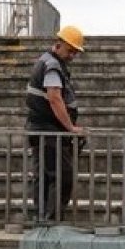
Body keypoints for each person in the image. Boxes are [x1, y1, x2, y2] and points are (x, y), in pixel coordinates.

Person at [25, 25, 85, 223]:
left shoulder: (48, 61)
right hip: (49, 131)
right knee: (61, 176)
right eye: (71, 51)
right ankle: (51, 221)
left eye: (76, 52)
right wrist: (70, 128)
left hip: (41, 129)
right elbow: (55, 98)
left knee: (45, 177)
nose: (73, 55)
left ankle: (43, 219)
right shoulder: (52, 65)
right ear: (59, 45)